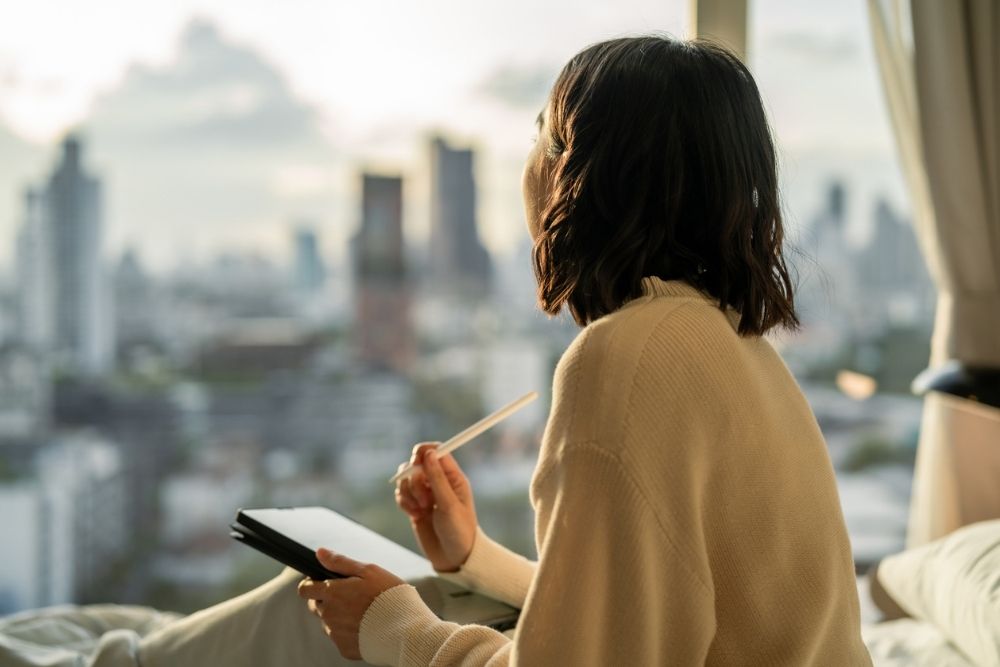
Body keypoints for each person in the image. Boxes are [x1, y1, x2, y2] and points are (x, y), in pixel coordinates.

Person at [140, 35, 873, 666]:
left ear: (581, 178)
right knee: (427, 589)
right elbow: (642, 618)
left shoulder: (624, 359)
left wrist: (395, 630)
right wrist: (473, 557)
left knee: (312, 612)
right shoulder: (740, 351)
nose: (528, 164)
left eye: (541, 136)